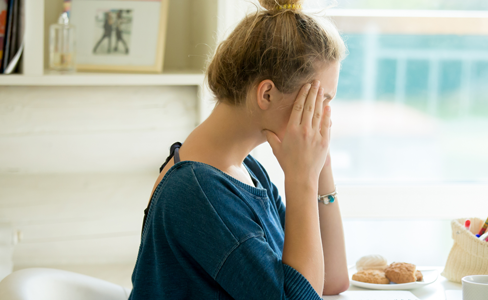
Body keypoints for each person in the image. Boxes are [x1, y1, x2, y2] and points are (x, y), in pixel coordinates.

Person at [128, 0, 348, 299]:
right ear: (267, 93)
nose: (323, 116)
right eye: (318, 100)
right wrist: (301, 179)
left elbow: (331, 280)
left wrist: (321, 167)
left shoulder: (246, 170)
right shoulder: (198, 191)